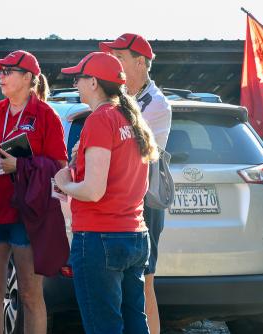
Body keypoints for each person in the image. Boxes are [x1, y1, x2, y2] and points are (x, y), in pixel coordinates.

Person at [54, 52, 158, 334]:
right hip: (134, 235)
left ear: (94, 83)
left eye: (79, 78)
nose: (75, 84)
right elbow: (136, 183)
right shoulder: (131, 117)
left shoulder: (100, 120)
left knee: (104, 327)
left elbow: (93, 190)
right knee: (136, 323)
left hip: (100, 238)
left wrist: (64, 183)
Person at [0, 50, 68, 334]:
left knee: (30, 293)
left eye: (8, 72)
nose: (1, 77)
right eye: (0, 72)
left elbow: (60, 167)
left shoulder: (46, 115)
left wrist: (22, 165)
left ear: (28, 77)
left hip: (27, 217)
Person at [100, 33, 172, 334]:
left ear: (140, 62)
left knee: (145, 282)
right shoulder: (120, 101)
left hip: (144, 203)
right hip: (121, 201)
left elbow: (128, 148)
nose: (114, 64)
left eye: (119, 58)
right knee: (123, 288)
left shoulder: (155, 104)